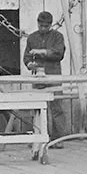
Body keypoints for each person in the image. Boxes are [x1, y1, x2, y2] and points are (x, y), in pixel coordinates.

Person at [23, 11, 67, 148]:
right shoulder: (31, 38)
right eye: (41, 25)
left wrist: (43, 52)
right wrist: (29, 64)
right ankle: (38, 137)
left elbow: (59, 53)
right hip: (38, 77)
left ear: (50, 25)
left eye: (46, 26)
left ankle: (58, 139)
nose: (43, 28)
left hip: (54, 76)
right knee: (37, 108)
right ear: (37, 23)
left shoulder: (58, 37)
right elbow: (26, 57)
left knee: (56, 107)